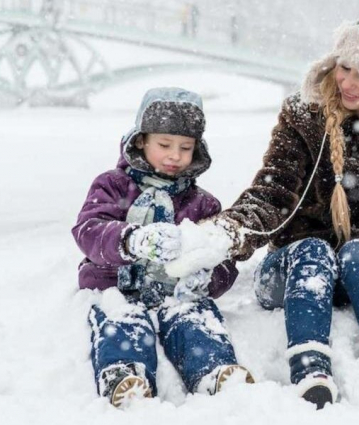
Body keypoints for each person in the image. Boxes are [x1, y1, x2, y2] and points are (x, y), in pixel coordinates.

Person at [169, 16, 359, 408]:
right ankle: (310, 369)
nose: (347, 83)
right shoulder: (304, 115)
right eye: (345, 67)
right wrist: (227, 232)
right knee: (313, 252)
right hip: (294, 270)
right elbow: (273, 192)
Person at [72, 87, 253, 408]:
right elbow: (89, 229)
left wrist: (207, 278)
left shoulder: (203, 203)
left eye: (185, 147)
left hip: (176, 293)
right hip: (116, 286)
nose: (175, 156)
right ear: (141, 140)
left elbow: (222, 259)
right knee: (122, 320)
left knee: (196, 319)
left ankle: (213, 369)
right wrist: (132, 239)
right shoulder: (112, 185)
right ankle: (124, 372)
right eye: (165, 145)